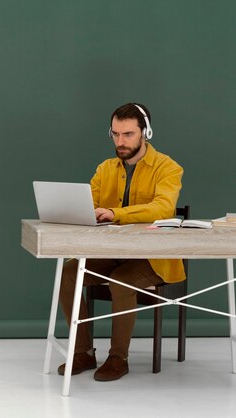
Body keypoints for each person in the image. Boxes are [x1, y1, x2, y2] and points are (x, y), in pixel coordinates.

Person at [57, 103, 185, 381]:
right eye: (115, 134)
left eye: (127, 134)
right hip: (113, 252)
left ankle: (118, 358)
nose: (120, 141)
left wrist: (116, 213)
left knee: (120, 280)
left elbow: (163, 208)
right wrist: (77, 211)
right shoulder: (105, 169)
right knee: (69, 273)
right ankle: (82, 353)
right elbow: (89, 203)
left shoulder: (169, 167)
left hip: (155, 257)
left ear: (145, 133)